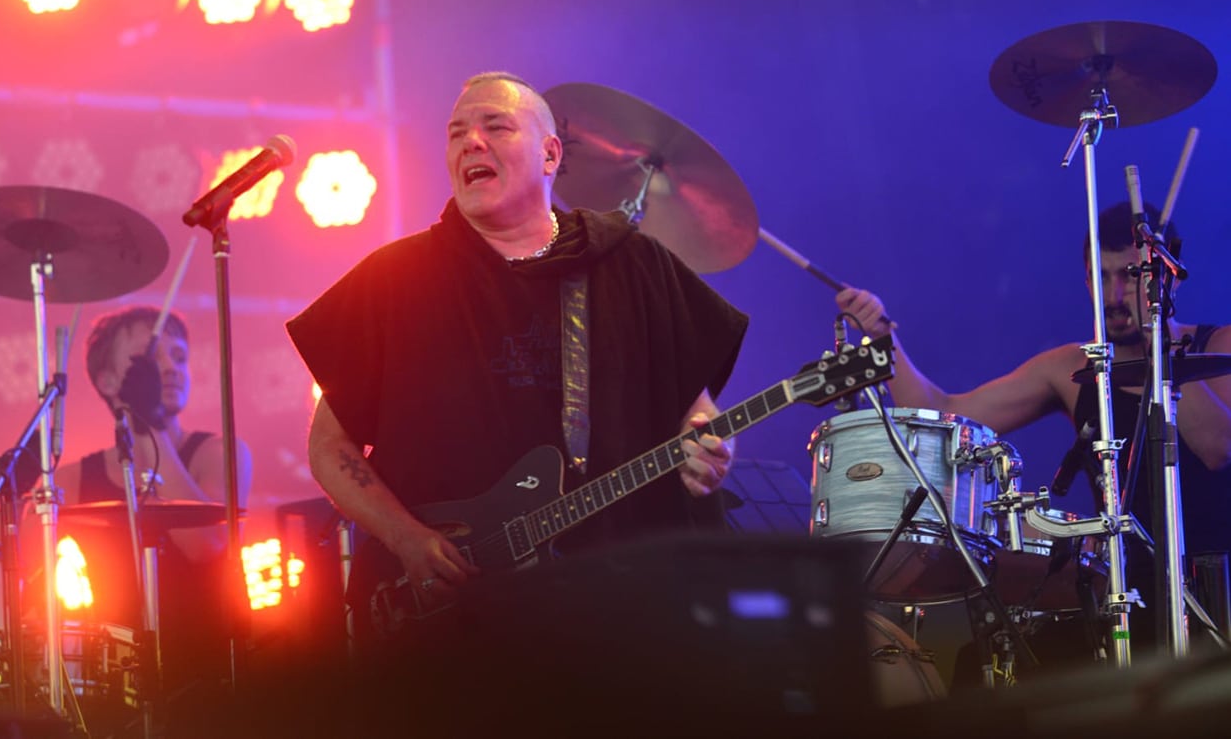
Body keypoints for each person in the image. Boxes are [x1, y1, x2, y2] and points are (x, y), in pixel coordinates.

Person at [284, 72, 748, 729]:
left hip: (615, 627)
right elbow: (328, 449)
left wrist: (710, 440)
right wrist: (407, 539)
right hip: (448, 636)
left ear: (552, 155)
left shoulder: (632, 263)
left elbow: (697, 408)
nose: (470, 141)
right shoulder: (394, 281)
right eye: (455, 132)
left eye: (495, 126)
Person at [836, 201, 1231, 673]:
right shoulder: (1071, 368)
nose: (1115, 293)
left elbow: (1216, 449)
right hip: (1126, 592)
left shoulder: (1219, 347)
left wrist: (1157, 336)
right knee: (984, 669)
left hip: (1218, 585)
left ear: (1164, 276)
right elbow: (947, 415)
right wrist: (883, 339)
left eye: (1130, 274)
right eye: (1100, 277)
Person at [20, 306, 252, 719]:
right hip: (110, 687)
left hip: (211, 678)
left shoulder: (220, 452)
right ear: (108, 381)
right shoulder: (73, 477)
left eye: (179, 357)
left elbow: (204, 544)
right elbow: (11, 579)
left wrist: (150, 426)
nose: (170, 367)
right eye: (150, 357)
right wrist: (17, 490)